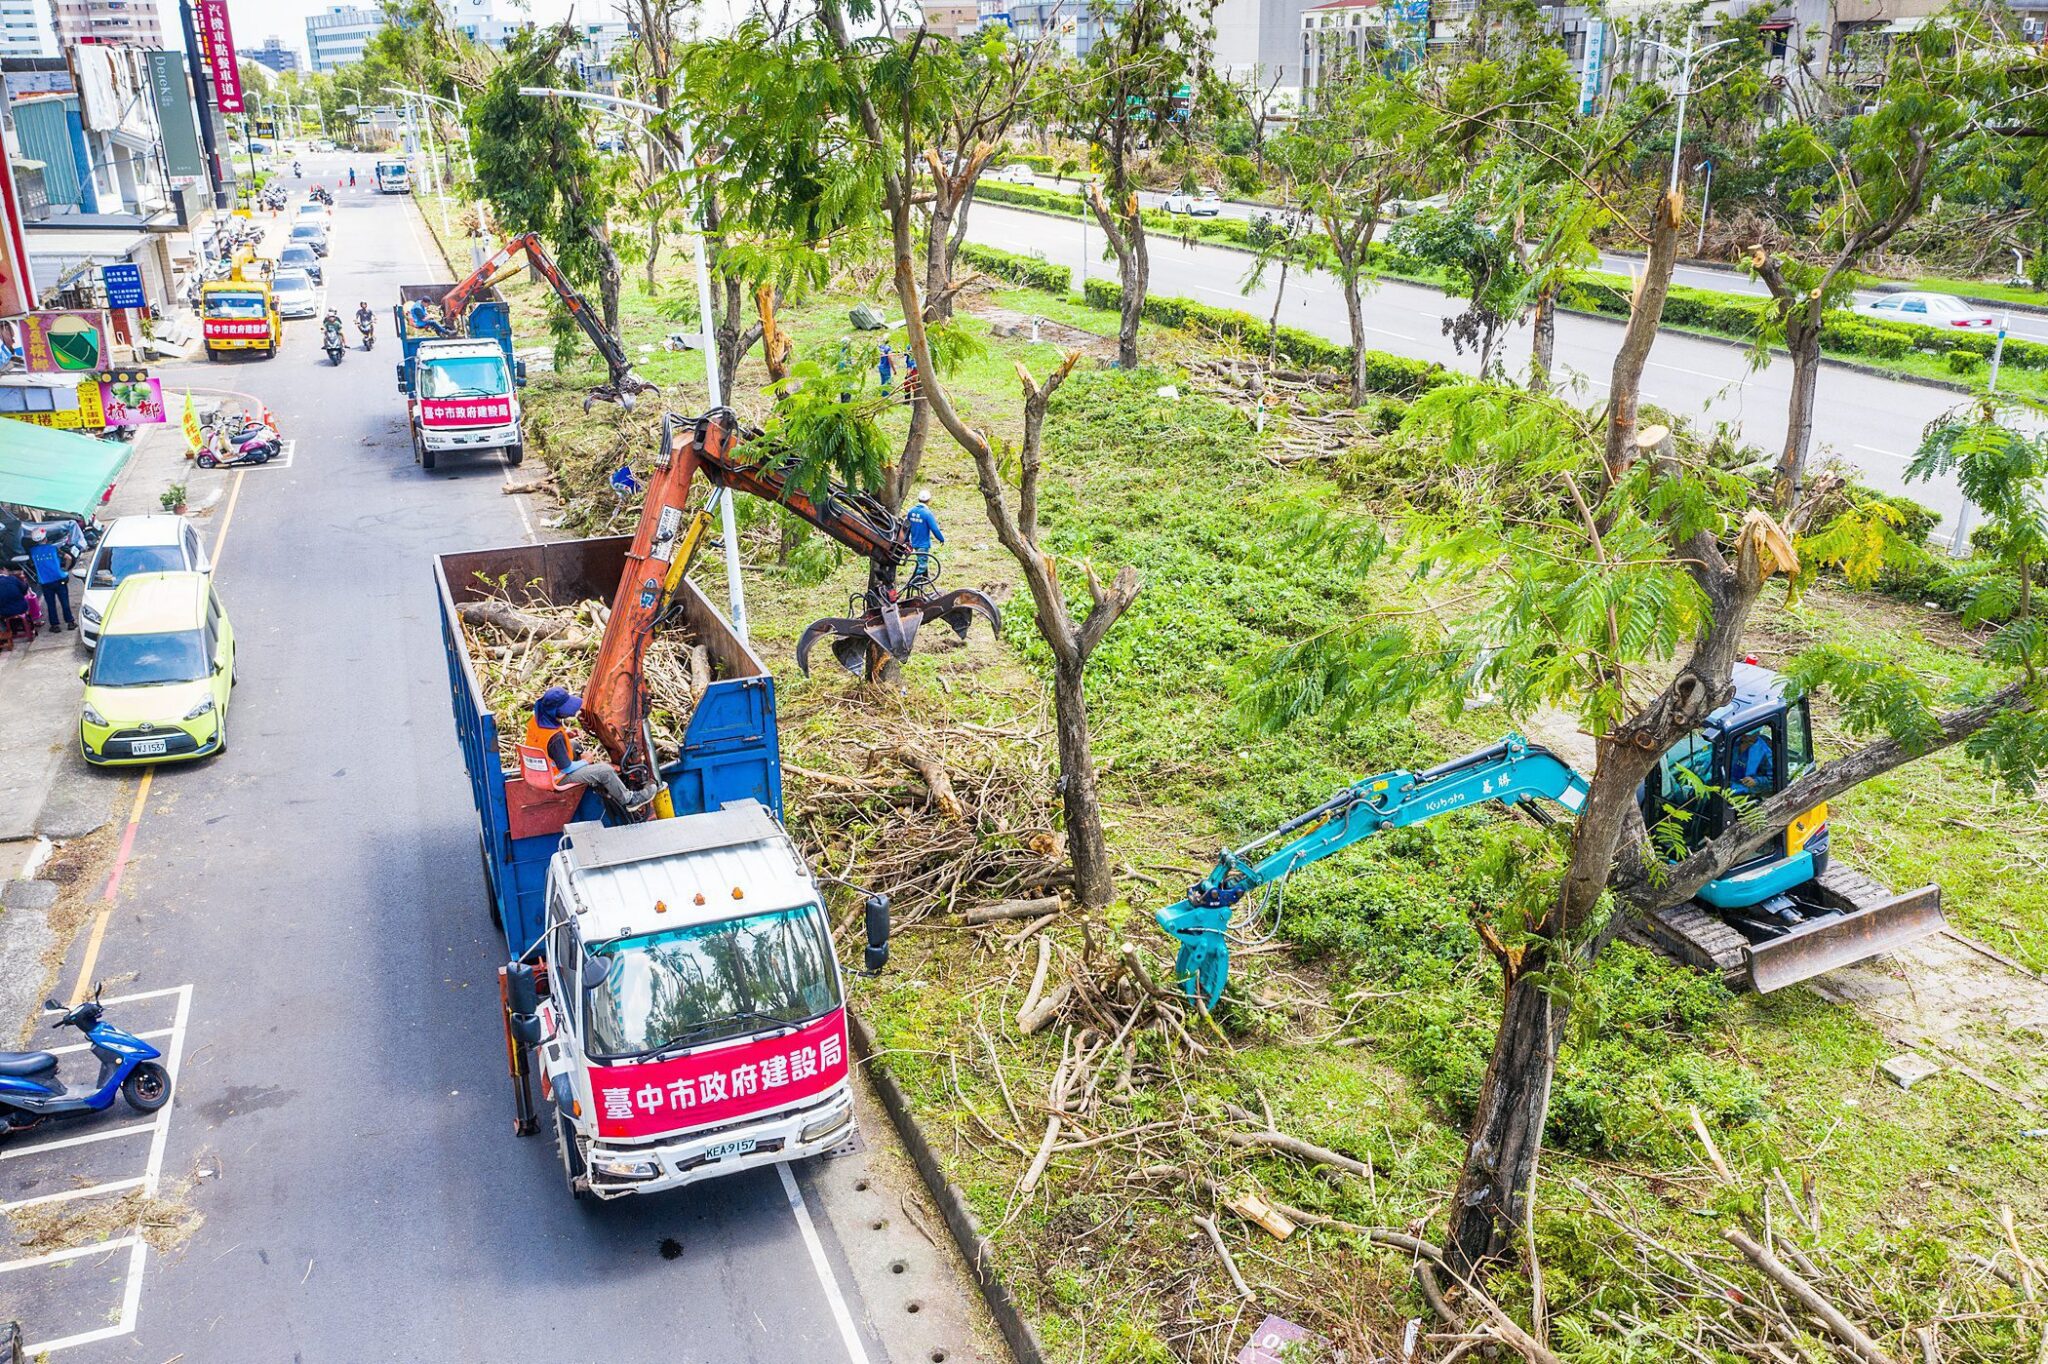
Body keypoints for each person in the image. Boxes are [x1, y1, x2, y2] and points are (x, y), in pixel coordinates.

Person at [525, 687, 660, 813]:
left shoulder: (538, 719)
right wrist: (586, 761)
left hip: (541, 770)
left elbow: (545, 741)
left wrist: (567, 735)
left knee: (574, 745)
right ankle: (630, 799)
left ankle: (587, 771)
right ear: (556, 710)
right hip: (558, 777)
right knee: (605, 771)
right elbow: (566, 768)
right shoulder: (556, 739)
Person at [28, 533, 73, 632]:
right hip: (59, 579)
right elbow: (68, 558)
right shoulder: (53, 548)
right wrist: (65, 569)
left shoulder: (32, 552)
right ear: (46, 538)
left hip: (45, 582)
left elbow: (31, 564)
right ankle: (70, 623)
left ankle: (55, 626)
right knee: (64, 602)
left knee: (51, 604)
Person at [905, 488, 944, 588]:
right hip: (923, 544)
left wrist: (906, 540)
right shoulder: (927, 514)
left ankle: (926, 582)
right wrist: (941, 539)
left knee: (921, 561)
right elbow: (935, 529)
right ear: (929, 500)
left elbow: (906, 527)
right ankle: (912, 584)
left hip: (914, 542)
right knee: (922, 565)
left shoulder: (911, 512)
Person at [1732, 729, 1775, 795]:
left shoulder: (1764, 752)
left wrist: (1756, 781)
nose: (1745, 737)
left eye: (1748, 738)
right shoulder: (1734, 740)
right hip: (1727, 784)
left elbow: (1772, 780)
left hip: (1746, 792)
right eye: (1744, 737)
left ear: (1757, 733)